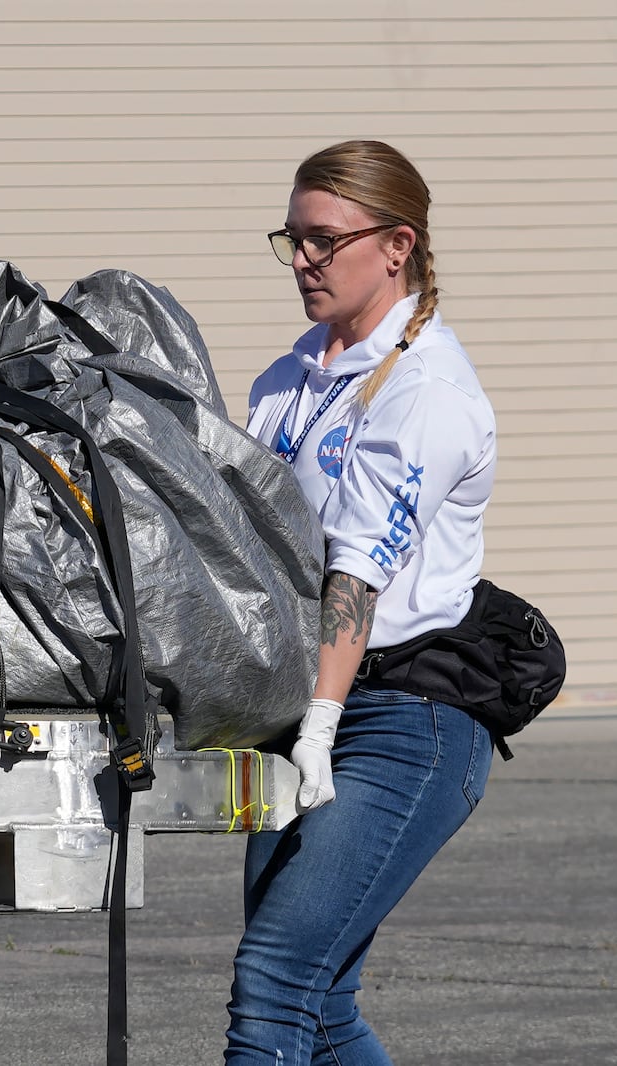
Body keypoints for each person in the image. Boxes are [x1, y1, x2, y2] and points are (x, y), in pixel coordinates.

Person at [225, 140, 498, 1064]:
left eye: (324, 239)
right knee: (322, 1002)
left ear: (397, 245)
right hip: (307, 704)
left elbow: (358, 572)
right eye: (292, 239)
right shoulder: (290, 378)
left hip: (402, 718)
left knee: (276, 983)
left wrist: (322, 721)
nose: (302, 259)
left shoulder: (428, 390)